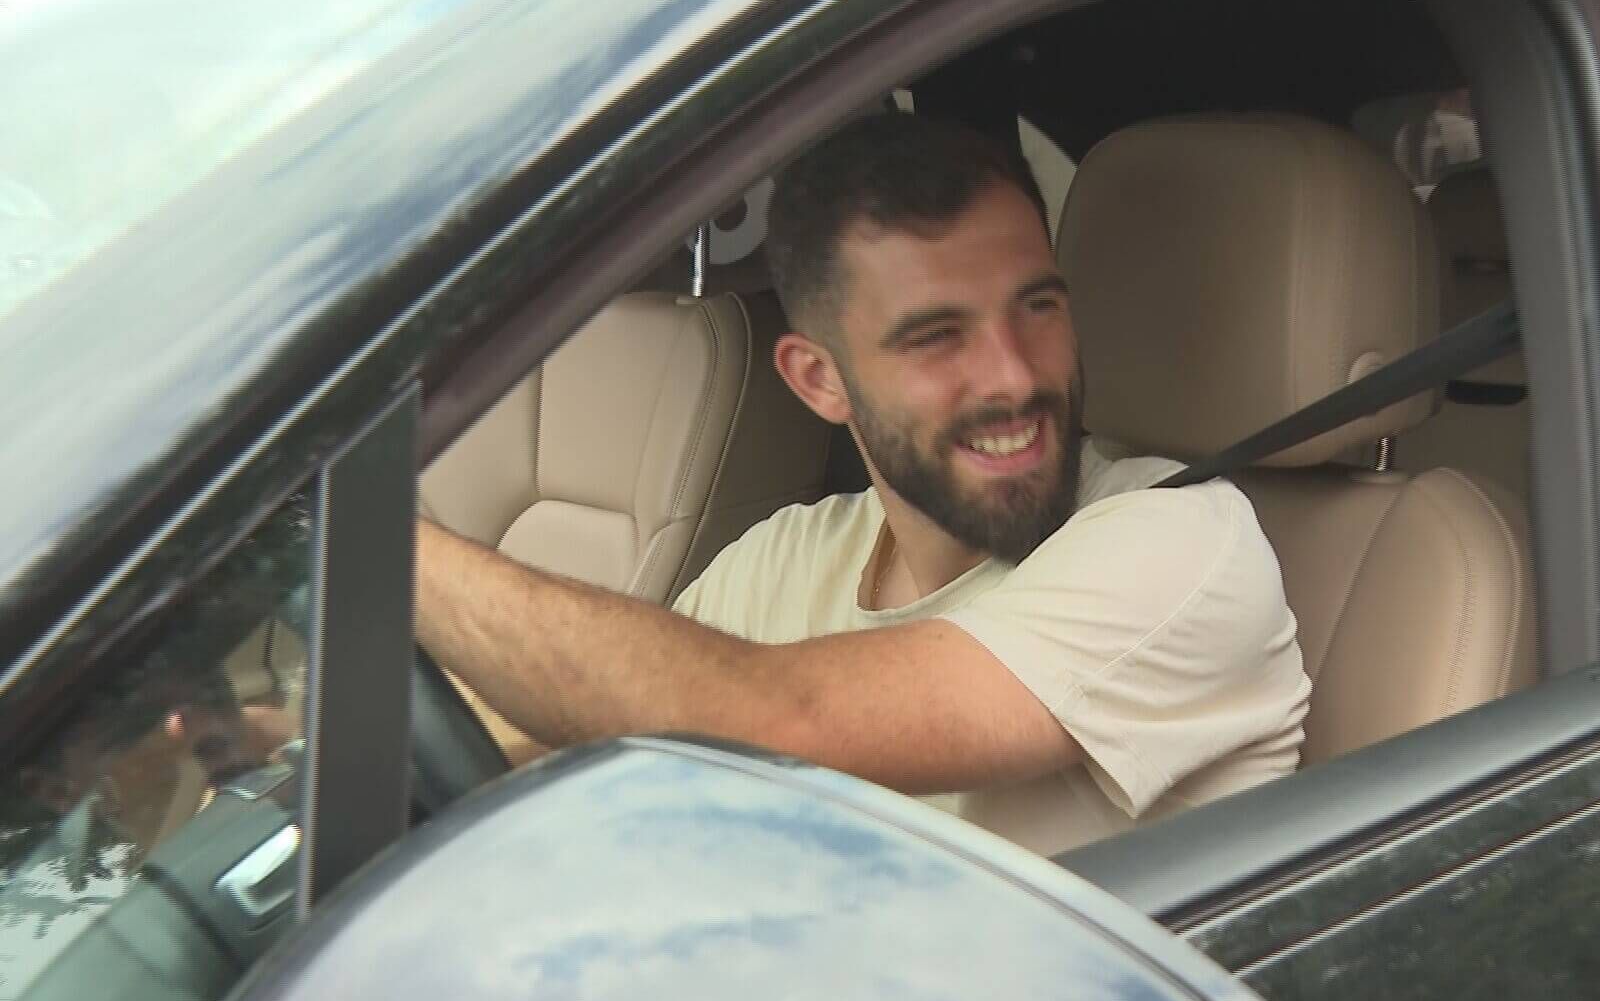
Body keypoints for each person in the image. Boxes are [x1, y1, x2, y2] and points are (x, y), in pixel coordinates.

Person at [416, 113, 1311, 855]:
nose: (1012, 375)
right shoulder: (787, 557)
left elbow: (782, 716)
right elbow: (567, 725)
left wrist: (384, 548)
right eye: (936, 336)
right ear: (819, 380)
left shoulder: (1180, 545)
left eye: (1038, 306)